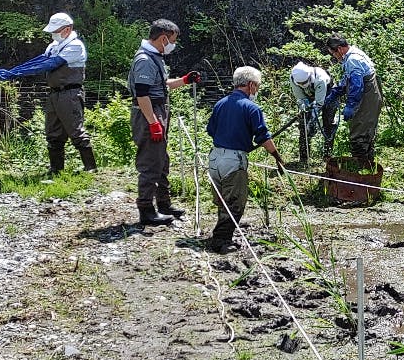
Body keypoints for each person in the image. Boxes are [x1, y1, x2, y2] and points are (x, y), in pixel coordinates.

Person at [0, 12, 97, 176]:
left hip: (70, 93)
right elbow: (39, 60)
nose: (53, 33)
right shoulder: (54, 45)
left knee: (75, 130)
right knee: (53, 132)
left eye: (56, 30)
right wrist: (14, 70)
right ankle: (56, 169)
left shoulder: (75, 46)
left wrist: (17, 74)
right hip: (54, 94)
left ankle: (91, 168)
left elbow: (50, 64)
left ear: (67, 29)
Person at [127, 18, 201, 226]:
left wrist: (185, 80)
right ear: (163, 38)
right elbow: (142, 95)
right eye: (172, 40)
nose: (173, 45)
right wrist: (153, 122)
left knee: (162, 159)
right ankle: (146, 210)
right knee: (150, 161)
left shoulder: (155, 57)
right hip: (148, 112)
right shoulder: (144, 60)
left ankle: (164, 203)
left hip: (158, 109)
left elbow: (162, 84)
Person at [205, 66, 285, 253]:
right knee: (235, 203)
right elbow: (263, 137)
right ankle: (221, 240)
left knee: (222, 201)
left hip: (215, 158)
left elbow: (210, 130)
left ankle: (222, 236)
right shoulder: (252, 107)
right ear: (250, 85)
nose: (256, 89)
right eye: (257, 86)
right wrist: (277, 157)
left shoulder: (220, 103)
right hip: (234, 160)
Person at [323, 35, 382, 169]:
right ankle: (368, 165)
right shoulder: (354, 54)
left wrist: (350, 105)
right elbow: (348, 79)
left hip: (368, 97)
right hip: (369, 95)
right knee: (365, 132)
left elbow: (356, 85)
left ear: (339, 49)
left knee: (359, 134)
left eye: (333, 54)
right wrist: (336, 92)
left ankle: (359, 169)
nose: (334, 57)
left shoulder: (352, 60)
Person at [288, 61, 340, 161]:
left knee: (328, 124)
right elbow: (301, 98)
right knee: (303, 125)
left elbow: (319, 103)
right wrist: (304, 107)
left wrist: (312, 120)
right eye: (300, 83)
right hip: (309, 97)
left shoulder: (320, 78)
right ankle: (304, 158)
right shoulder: (293, 78)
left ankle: (327, 156)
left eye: (304, 82)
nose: (302, 85)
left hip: (328, 94)